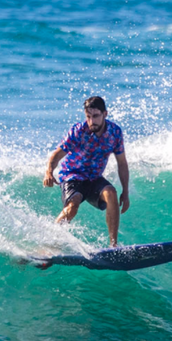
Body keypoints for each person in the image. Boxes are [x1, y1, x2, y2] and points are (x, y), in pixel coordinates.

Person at [42, 96, 131, 248]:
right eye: (88, 117)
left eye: (95, 116)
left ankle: (113, 246)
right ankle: (48, 244)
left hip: (94, 177)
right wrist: (49, 172)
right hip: (72, 175)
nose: (91, 121)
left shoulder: (115, 132)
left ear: (105, 114)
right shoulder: (78, 131)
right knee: (73, 206)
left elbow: (122, 163)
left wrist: (126, 192)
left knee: (111, 193)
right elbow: (57, 154)